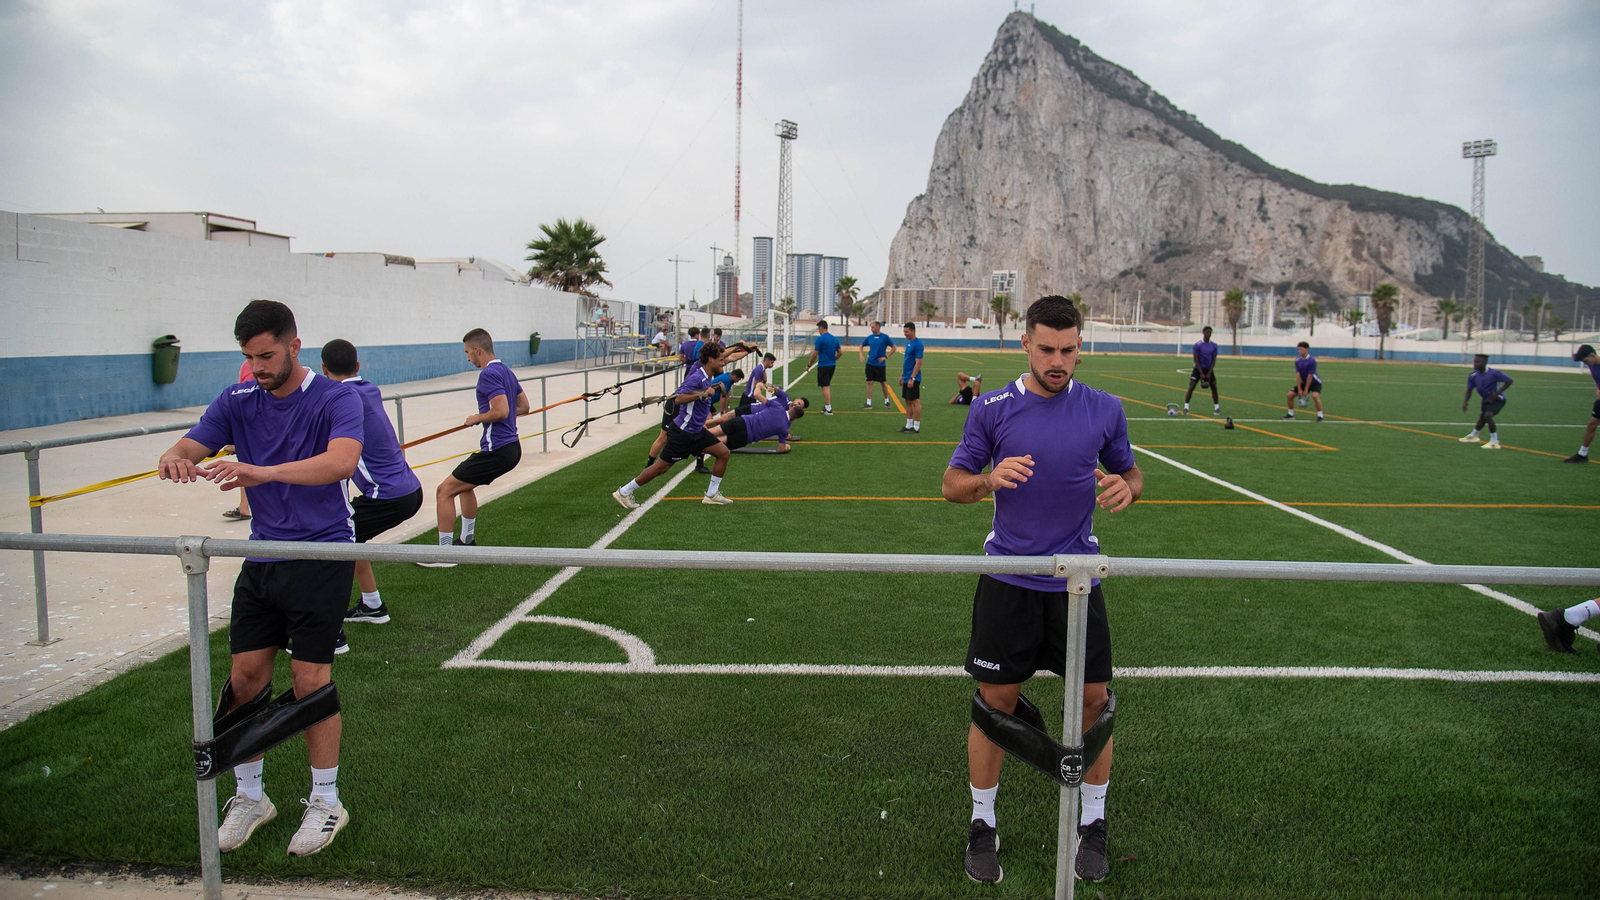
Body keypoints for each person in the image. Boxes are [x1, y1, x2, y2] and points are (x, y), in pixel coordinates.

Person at [942, 295, 1142, 886]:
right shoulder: (993, 408)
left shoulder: (1105, 409)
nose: (1059, 361)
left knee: (1093, 702)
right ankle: (983, 824)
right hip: (1009, 579)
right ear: (1026, 344)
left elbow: (1130, 472)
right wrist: (987, 479)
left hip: (1078, 584)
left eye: (1070, 350)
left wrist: (1128, 488)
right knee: (995, 704)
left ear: (1082, 347)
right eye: (1048, 349)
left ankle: (1094, 825)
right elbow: (952, 486)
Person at [157, 299, 363, 857]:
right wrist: (175, 456)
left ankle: (327, 800)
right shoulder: (238, 397)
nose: (258, 367)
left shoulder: (338, 396)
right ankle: (251, 796)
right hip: (263, 559)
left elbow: (342, 462)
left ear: (295, 345)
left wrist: (260, 471)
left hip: (321, 555)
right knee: (246, 678)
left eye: (267, 355)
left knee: (309, 680)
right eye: (249, 357)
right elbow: (192, 442)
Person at [319, 340, 424, 626]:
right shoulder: (368, 388)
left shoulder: (339, 398)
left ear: (324, 368)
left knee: (328, 544)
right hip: (410, 491)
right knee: (352, 539)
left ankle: (328, 627)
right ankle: (373, 605)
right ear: (357, 366)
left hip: (387, 496)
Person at [422, 329, 529, 566]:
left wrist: (478, 417)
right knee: (464, 485)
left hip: (498, 450)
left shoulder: (488, 374)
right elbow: (523, 406)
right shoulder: (506, 371)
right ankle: (467, 540)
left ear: (477, 350)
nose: (467, 357)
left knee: (444, 491)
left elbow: (501, 411)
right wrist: (503, 418)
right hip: (510, 448)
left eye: (468, 352)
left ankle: (444, 555)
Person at [614, 343, 738, 508]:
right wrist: (702, 394)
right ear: (710, 359)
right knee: (662, 467)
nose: (724, 363)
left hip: (697, 431)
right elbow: (678, 399)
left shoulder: (703, 371)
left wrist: (739, 348)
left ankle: (711, 494)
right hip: (683, 433)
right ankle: (624, 492)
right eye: (721, 360)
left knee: (723, 453)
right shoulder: (697, 377)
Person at [706, 388, 808, 453]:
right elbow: (781, 448)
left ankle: (693, 432)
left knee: (713, 431)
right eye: (798, 403)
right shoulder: (784, 428)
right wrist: (787, 447)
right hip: (747, 435)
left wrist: (759, 386)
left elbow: (757, 395)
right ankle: (698, 443)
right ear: (795, 418)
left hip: (743, 420)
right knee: (718, 440)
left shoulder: (777, 406)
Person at [224, 359, 256, 521]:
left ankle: (246, 506)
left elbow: (252, 402)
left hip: (252, 429)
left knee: (249, 467)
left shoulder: (251, 366)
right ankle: (245, 506)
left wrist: (238, 442)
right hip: (249, 429)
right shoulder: (248, 365)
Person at [1459, 354, 1512, 449]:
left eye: (1477, 361)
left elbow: (1509, 381)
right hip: (1486, 400)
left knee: (1488, 415)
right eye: (1474, 361)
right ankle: (1474, 435)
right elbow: (1469, 390)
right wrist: (1465, 401)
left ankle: (1494, 442)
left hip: (1497, 400)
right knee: (1482, 417)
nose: (1474, 364)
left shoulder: (1494, 373)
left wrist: (1497, 393)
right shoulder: (1473, 376)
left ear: (1484, 363)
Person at [1563, 344, 1599, 463]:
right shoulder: (1592, 365)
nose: (1585, 363)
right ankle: (1582, 454)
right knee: (1591, 425)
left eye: (1585, 360)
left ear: (1592, 355)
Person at [858, 321, 897, 409]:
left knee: (883, 383)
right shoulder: (870, 337)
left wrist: (886, 356)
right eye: (871, 327)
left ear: (878, 327)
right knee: (869, 382)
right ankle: (868, 403)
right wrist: (861, 354)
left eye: (873, 327)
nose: (871, 329)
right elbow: (861, 345)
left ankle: (887, 401)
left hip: (880, 365)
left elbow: (894, 347)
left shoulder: (885, 337)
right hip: (870, 364)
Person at [807, 320, 842, 414]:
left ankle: (828, 408)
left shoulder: (820, 339)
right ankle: (826, 406)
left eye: (818, 328)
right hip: (832, 365)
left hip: (823, 365)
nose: (818, 330)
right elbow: (840, 352)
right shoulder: (834, 339)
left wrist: (809, 365)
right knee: (825, 385)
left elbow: (814, 354)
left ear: (821, 327)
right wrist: (834, 359)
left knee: (825, 386)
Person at [1282, 342, 1324, 421]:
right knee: (1290, 395)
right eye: (1298, 349)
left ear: (1306, 349)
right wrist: (1300, 389)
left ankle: (1320, 416)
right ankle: (1290, 414)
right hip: (1304, 382)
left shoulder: (1312, 361)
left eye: (1301, 349)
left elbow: (1310, 376)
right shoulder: (1297, 360)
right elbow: (1298, 375)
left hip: (1314, 382)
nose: (1299, 351)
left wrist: (1306, 390)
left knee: (1315, 396)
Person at [1184, 326, 1220, 414]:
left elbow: (1214, 359)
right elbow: (1196, 359)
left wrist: (1209, 372)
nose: (1209, 334)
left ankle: (1217, 408)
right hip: (1198, 369)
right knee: (1191, 387)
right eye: (1207, 332)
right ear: (1203, 333)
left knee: (1214, 387)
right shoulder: (1198, 345)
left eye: (1210, 332)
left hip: (1208, 369)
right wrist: (1201, 373)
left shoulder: (1214, 346)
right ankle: (1186, 407)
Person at [899, 322, 924, 433]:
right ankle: (908, 425)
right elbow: (907, 361)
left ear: (913, 331)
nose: (905, 334)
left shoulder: (918, 344)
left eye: (907, 332)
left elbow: (918, 363)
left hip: (913, 378)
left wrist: (912, 378)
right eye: (904, 332)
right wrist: (902, 375)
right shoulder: (909, 343)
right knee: (908, 401)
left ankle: (916, 426)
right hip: (906, 377)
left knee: (915, 401)